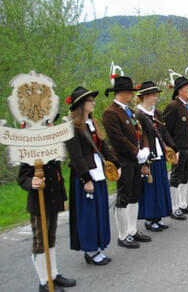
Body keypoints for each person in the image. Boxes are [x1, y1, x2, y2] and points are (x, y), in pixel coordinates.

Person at [18, 119, 76, 292]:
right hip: (39, 203)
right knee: (40, 242)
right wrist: (31, 181)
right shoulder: (30, 150)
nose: (52, 126)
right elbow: (22, 177)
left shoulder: (53, 148)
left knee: (51, 239)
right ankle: (44, 281)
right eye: (48, 124)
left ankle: (54, 274)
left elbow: (59, 175)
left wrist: (63, 198)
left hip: (54, 199)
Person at [66, 87, 120, 265]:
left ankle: (98, 246)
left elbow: (103, 147)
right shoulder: (72, 127)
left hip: (99, 171)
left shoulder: (93, 123)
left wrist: (115, 164)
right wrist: (85, 179)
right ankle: (90, 250)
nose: (93, 103)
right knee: (88, 214)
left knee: (99, 210)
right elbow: (76, 156)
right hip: (87, 174)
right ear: (82, 105)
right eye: (90, 100)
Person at [102, 76, 152, 249]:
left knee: (134, 195)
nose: (132, 94)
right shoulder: (111, 113)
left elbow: (142, 131)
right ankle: (123, 234)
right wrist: (136, 151)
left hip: (136, 160)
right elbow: (118, 139)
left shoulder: (129, 111)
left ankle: (132, 230)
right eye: (129, 91)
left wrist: (145, 149)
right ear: (121, 93)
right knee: (123, 197)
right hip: (123, 160)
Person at [135, 81, 176, 231]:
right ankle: (150, 219)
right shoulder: (138, 115)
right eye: (153, 95)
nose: (155, 98)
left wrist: (172, 147)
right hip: (148, 157)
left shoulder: (157, 113)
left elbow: (164, 132)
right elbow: (139, 138)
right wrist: (143, 163)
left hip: (160, 154)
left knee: (160, 187)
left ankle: (158, 217)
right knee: (150, 189)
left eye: (155, 95)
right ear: (145, 96)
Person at [163, 76, 188, 220]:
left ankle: (183, 203)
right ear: (179, 91)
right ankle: (174, 207)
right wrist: (171, 149)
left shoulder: (187, 106)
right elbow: (166, 129)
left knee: (186, 176)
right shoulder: (173, 106)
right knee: (176, 177)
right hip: (179, 148)